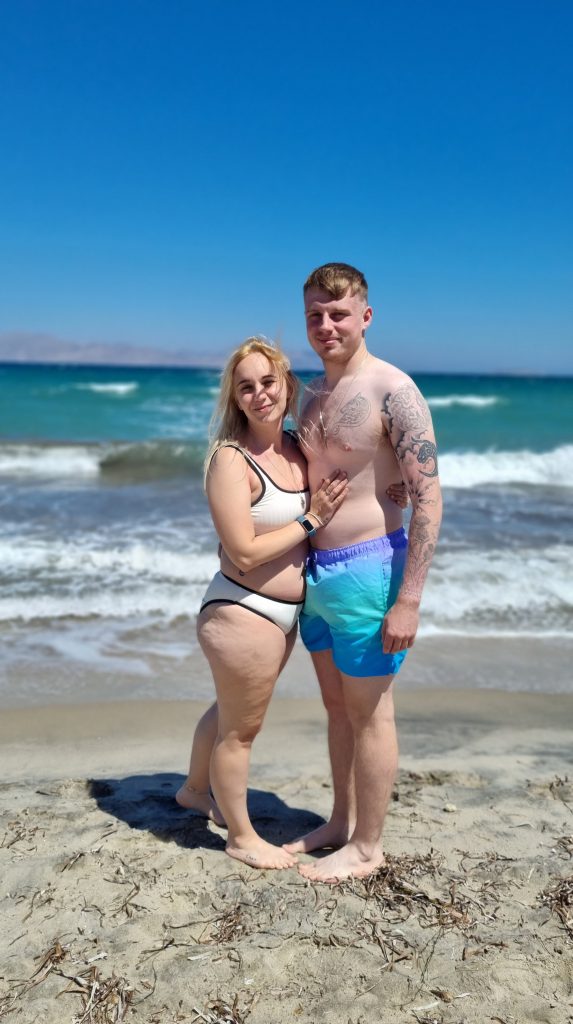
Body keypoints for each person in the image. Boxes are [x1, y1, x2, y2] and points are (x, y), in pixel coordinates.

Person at [282, 262, 443, 883]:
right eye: (315, 316)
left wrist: (410, 600)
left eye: (339, 313)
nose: (326, 325)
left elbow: (428, 497)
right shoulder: (311, 395)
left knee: (371, 712)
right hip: (316, 573)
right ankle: (341, 822)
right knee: (336, 707)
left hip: (372, 572)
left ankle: (368, 847)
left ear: (366, 316)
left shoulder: (393, 390)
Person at [176, 337, 349, 870]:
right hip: (241, 610)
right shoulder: (231, 460)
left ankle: (193, 791)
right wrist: (311, 520)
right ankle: (242, 838)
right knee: (241, 731)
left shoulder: (298, 446)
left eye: (268, 382)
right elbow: (244, 551)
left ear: (287, 384)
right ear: (236, 398)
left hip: (281, 617)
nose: (259, 394)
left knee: (231, 712)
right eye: (246, 387)